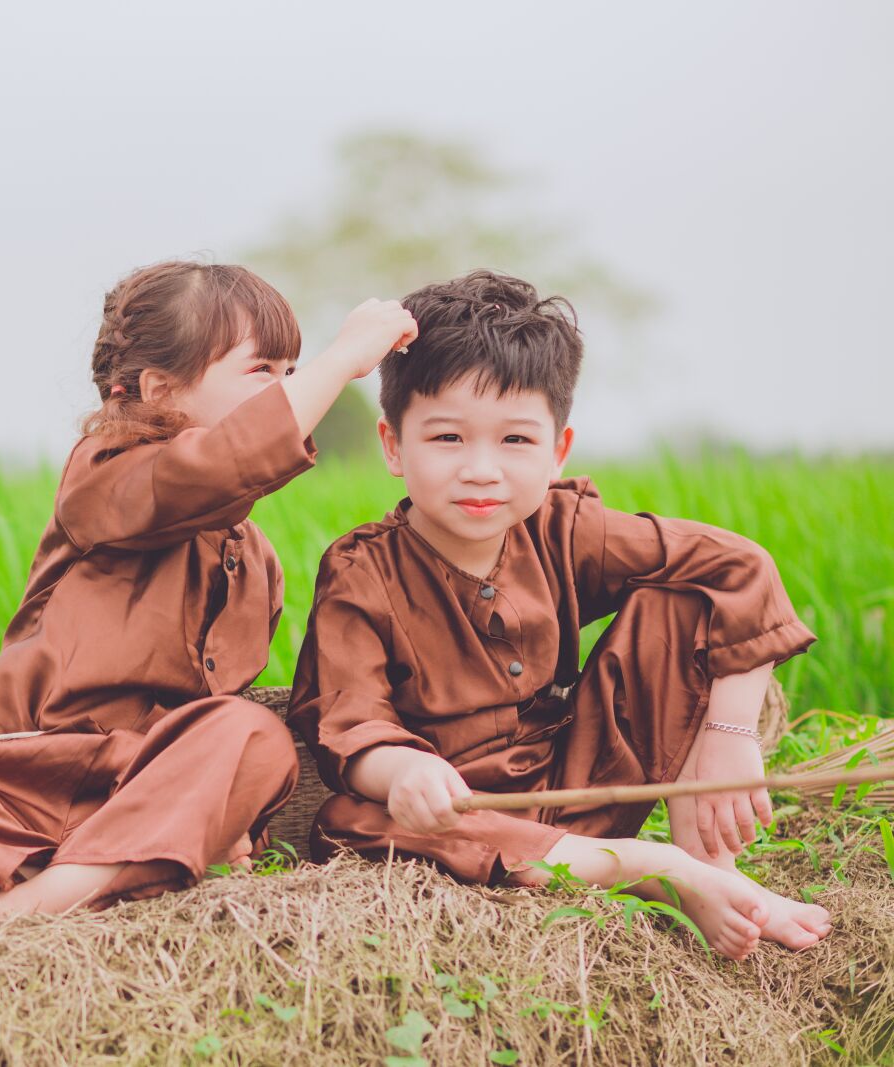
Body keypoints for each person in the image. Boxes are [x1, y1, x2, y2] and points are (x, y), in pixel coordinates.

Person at [0, 259, 417, 936]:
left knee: (250, 733)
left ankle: (18, 904)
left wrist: (225, 810)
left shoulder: (256, 559)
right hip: (26, 782)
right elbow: (215, 467)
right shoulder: (102, 475)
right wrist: (341, 360)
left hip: (142, 786)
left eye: (292, 371)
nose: (288, 391)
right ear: (161, 389)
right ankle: (108, 873)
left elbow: (216, 719)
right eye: (262, 371)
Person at [288, 269, 829, 961]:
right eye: (447, 438)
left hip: (578, 784)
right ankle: (653, 869)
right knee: (349, 819)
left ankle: (710, 866)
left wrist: (730, 733)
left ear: (557, 451)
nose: (481, 469)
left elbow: (738, 565)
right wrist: (401, 773)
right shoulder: (364, 571)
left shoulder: (564, 526)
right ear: (393, 446)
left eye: (515, 441)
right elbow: (350, 717)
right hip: (456, 817)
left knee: (679, 596)